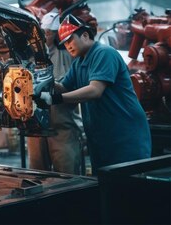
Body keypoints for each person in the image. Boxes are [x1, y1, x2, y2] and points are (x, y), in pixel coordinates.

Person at [33, 14, 151, 174]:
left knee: (128, 188)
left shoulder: (104, 53)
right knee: (106, 189)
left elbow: (95, 90)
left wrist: (54, 99)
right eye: (64, 43)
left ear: (85, 35)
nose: (68, 46)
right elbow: (65, 87)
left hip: (124, 134)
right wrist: (43, 81)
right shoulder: (79, 63)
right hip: (101, 136)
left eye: (70, 40)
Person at [28, 12, 82, 174]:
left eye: (49, 33)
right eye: (43, 31)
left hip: (62, 126)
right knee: (37, 174)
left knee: (67, 173)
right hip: (36, 126)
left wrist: (53, 87)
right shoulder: (30, 56)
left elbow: (78, 90)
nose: (45, 36)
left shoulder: (70, 54)